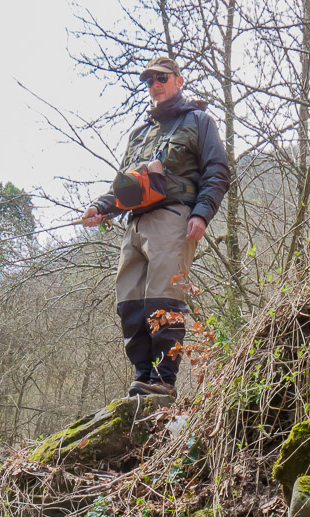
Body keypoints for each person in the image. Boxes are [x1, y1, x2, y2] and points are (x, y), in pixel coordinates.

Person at [81, 55, 230, 398]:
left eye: (161, 78)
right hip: (135, 224)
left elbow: (218, 171)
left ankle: (163, 380)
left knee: (163, 298)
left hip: (174, 217)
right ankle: (143, 375)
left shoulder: (199, 121)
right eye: (149, 81)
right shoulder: (139, 133)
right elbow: (124, 186)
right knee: (129, 301)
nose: (155, 85)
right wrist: (100, 207)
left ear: (178, 80)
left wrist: (201, 214)